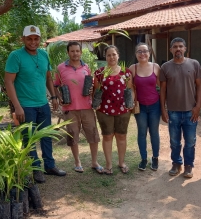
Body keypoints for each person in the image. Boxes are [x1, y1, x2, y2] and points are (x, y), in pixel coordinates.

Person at [4, 25, 66, 183]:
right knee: (29, 139)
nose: (33, 42)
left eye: (36, 38)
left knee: (46, 136)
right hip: (25, 106)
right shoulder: (15, 56)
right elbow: (9, 82)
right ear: (23, 39)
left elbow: (48, 78)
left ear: (40, 39)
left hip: (43, 104)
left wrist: (53, 97)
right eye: (29, 39)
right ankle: (35, 169)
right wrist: (17, 106)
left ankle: (50, 166)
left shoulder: (44, 55)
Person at [54, 41, 103, 174]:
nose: (75, 53)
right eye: (72, 51)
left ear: (81, 52)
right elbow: (55, 85)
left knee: (93, 134)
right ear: (68, 52)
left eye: (77, 51)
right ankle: (77, 162)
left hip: (87, 107)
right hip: (70, 109)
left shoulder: (86, 67)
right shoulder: (60, 68)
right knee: (73, 136)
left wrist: (93, 93)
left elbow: (91, 85)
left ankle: (94, 162)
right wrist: (59, 98)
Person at [160, 37, 201, 178]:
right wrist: (163, 110)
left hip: (191, 111)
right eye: (175, 47)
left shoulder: (194, 64)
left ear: (185, 48)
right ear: (171, 49)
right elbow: (163, 91)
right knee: (174, 141)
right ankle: (176, 163)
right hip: (173, 112)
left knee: (190, 141)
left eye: (180, 46)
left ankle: (188, 166)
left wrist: (198, 107)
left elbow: (199, 87)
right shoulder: (165, 67)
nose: (178, 49)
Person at [93, 45, 133, 175]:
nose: (111, 57)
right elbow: (96, 91)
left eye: (114, 54)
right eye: (109, 55)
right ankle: (109, 165)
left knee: (121, 136)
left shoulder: (126, 72)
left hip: (123, 109)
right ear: (105, 57)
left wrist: (131, 103)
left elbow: (130, 89)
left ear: (118, 55)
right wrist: (96, 103)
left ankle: (121, 162)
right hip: (104, 110)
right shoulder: (99, 73)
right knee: (107, 136)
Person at [129, 43, 161, 171]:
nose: (142, 54)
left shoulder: (156, 67)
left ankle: (155, 158)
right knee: (142, 133)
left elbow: (161, 86)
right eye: (139, 51)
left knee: (154, 132)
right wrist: (131, 101)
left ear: (149, 53)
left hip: (155, 105)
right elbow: (130, 88)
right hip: (140, 106)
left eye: (145, 51)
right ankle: (143, 158)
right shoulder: (132, 68)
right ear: (136, 54)